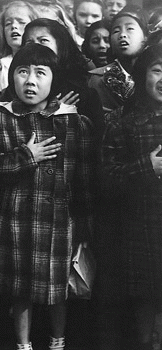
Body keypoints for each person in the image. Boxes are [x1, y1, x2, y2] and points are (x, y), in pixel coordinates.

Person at [0, 42, 94, 350]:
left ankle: (58, 341)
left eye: (41, 73)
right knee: (21, 290)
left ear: (54, 80)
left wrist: (84, 225)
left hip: (58, 220)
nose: (30, 81)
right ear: (11, 76)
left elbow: (82, 181)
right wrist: (26, 155)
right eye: (22, 72)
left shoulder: (73, 123)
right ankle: (23, 345)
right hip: (15, 221)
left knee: (57, 291)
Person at [101, 43, 162, 350]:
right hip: (141, 226)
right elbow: (106, 176)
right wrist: (145, 167)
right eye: (157, 70)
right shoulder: (121, 121)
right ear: (143, 75)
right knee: (145, 305)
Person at [22, 18, 104, 144]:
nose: (36, 47)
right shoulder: (20, 88)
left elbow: (94, 141)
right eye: (29, 42)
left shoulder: (82, 92)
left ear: (60, 45)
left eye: (43, 40)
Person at [88, 5, 148, 114]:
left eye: (130, 29)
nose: (122, 35)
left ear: (145, 38)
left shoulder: (155, 73)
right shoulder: (97, 79)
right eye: (116, 31)